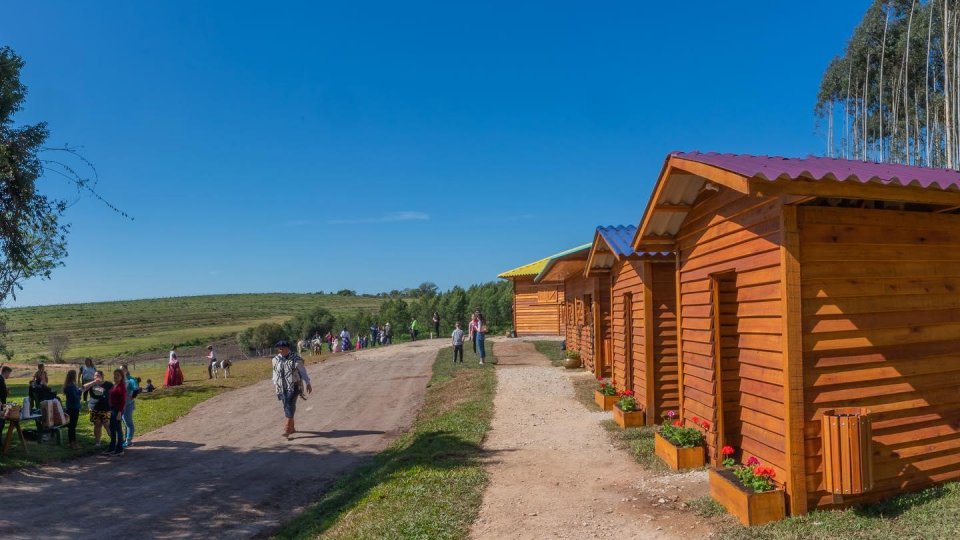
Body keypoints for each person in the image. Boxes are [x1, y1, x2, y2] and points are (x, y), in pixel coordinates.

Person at [271, 340, 312, 438]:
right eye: (279, 349)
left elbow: (303, 372)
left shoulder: (296, 359)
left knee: (289, 403)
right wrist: (275, 382)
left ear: (287, 348)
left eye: (282, 348)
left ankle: (287, 428)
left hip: (294, 386)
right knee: (286, 404)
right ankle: (292, 428)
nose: (280, 350)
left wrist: (308, 383)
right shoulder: (275, 359)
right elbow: (274, 373)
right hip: (281, 387)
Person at [83, 371, 111, 447]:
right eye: (95, 376)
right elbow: (83, 388)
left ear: (102, 376)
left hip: (105, 408)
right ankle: (98, 442)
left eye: (98, 375)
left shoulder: (108, 384)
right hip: (94, 408)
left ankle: (114, 440)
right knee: (97, 425)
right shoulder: (92, 384)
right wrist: (93, 382)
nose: (96, 377)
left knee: (107, 425)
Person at [104, 369, 127, 456]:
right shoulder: (115, 385)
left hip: (118, 409)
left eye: (118, 375)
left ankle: (120, 449)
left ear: (121, 377)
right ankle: (112, 447)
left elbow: (123, 401)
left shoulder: (122, 386)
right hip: (113, 409)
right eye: (114, 375)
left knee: (118, 429)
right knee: (112, 428)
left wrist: (119, 412)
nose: (115, 376)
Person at [120, 364, 139, 448]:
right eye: (120, 370)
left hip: (128, 405)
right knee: (125, 423)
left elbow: (136, 389)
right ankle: (126, 439)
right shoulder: (120, 379)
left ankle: (128, 441)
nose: (121, 371)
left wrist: (132, 396)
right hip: (121, 405)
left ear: (127, 370)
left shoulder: (131, 379)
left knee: (129, 423)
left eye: (123, 369)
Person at [62, 370, 82, 449]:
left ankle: (71, 442)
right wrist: (79, 395)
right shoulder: (71, 386)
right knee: (72, 427)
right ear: (73, 376)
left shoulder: (68, 385)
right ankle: (73, 443)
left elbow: (74, 394)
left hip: (70, 407)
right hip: (74, 408)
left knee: (71, 426)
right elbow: (75, 398)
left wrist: (79, 391)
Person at [0, 365, 11, 440]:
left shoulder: (1, 379)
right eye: (9, 373)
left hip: (2, 403)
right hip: (0, 404)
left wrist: (5, 391)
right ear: (6, 372)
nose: (9, 375)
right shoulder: (0, 379)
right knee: (0, 423)